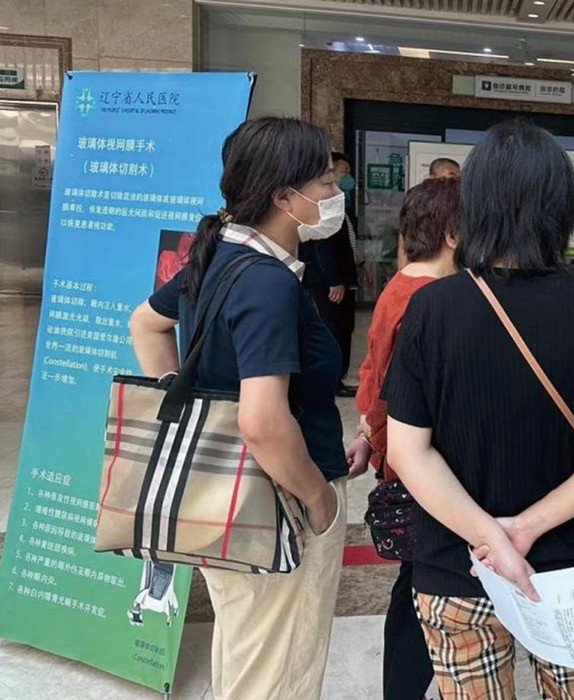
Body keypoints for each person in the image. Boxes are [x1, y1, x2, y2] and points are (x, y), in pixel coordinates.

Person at [383, 119, 574, 699]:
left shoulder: (431, 309)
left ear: (475, 207)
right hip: (569, 566)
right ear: (564, 207)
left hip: (456, 565)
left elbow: (407, 450)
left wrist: (492, 538)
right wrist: (524, 530)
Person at [128, 117, 347, 700]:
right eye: (326, 183)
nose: (336, 194)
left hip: (219, 492)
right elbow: (263, 421)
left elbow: (146, 324)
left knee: (246, 653)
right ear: (284, 197)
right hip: (275, 500)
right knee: (278, 670)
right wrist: (318, 500)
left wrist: (189, 411)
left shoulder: (217, 254)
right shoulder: (268, 283)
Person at [346, 177, 460, 700]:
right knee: (424, 586)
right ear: (454, 234)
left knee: (414, 580)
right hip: (422, 464)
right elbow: (404, 393)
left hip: (396, 454)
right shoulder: (431, 299)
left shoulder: (398, 286)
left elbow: (373, 376)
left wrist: (371, 434)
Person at [298, 151, 361, 397]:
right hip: (326, 284)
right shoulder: (322, 211)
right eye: (342, 173)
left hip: (341, 279)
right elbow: (323, 247)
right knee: (333, 329)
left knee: (344, 328)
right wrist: (334, 281)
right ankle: (331, 382)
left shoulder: (339, 208)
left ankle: (337, 378)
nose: (345, 179)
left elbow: (347, 245)